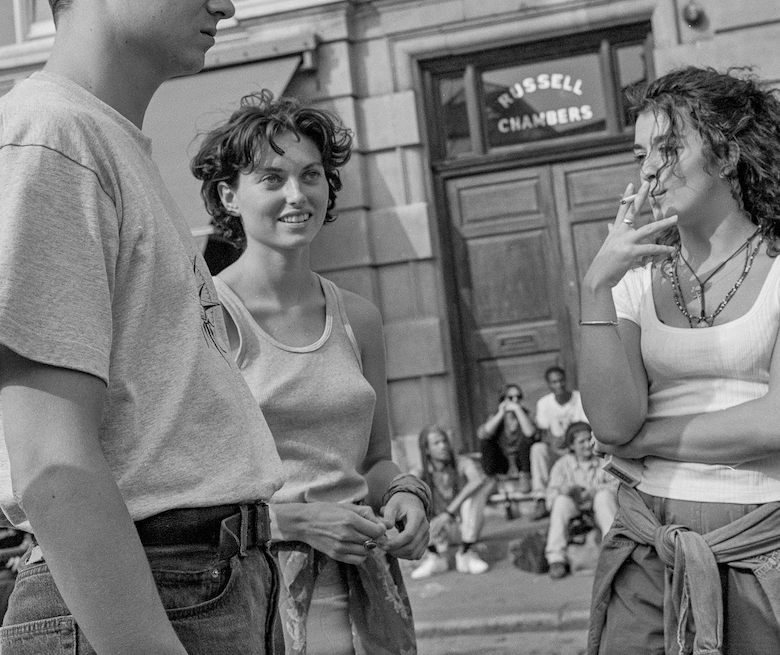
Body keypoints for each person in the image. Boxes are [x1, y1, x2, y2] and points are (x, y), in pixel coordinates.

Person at [0, 0, 287, 652]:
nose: (225, 1)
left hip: (189, 580)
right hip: (150, 588)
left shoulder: (97, 139)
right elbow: (51, 460)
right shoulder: (49, 138)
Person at [580, 66, 780, 655]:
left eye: (668, 148)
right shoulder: (634, 281)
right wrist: (594, 290)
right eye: (641, 153)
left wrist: (644, 441)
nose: (648, 170)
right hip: (649, 548)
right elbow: (612, 423)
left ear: (727, 154)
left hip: (771, 550)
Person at [191, 92, 431, 654]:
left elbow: (372, 461)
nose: (296, 195)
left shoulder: (360, 317)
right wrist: (297, 521)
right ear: (229, 196)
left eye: (311, 175)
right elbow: (189, 498)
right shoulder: (205, 320)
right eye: (271, 179)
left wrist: (405, 494)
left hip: (366, 592)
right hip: (251, 598)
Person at [409, 427, 494, 578]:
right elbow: (406, 485)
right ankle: (435, 557)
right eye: (436, 443)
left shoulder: (462, 462)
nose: (443, 446)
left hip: (464, 526)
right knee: (409, 500)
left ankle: (466, 553)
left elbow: (478, 480)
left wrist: (448, 513)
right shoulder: (422, 471)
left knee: (475, 495)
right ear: (427, 450)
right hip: (437, 531)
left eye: (444, 441)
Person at [544, 421, 618, 579]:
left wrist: (595, 492)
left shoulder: (604, 461)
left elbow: (619, 487)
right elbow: (550, 498)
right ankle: (556, 558)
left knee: (604, 497)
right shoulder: (562, 465)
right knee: (561, 502)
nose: (587, 445)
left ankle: (614, 552)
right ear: (571, 446)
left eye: (589, 440)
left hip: (599, 514)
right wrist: (566, 492)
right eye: (581, 442)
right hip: (575, 517)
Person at [530, 366, 589, 519]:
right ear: (548, 384)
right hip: (557, 450)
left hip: (578, 449)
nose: (559, 385)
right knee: (538, 449)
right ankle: (541, 499)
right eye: (554, 382)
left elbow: (584, 428)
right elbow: (544, 432)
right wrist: (558, 442)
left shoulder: (579, 398)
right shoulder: (544, 403)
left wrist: (568, 439)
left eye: (561, 381)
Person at [477, 385, 538, 493]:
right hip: (503, 460)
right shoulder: (496, 417)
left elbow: (530, 434)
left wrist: (518, 410)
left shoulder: (527, 415)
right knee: (486, 441)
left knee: (528, 441)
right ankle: (491, 478)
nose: (515, 400)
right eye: (511, 398)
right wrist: (501, 413)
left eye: (518, 397)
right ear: (503, 399)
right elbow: (483, 434)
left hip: (522, 460)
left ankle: (525, 477)